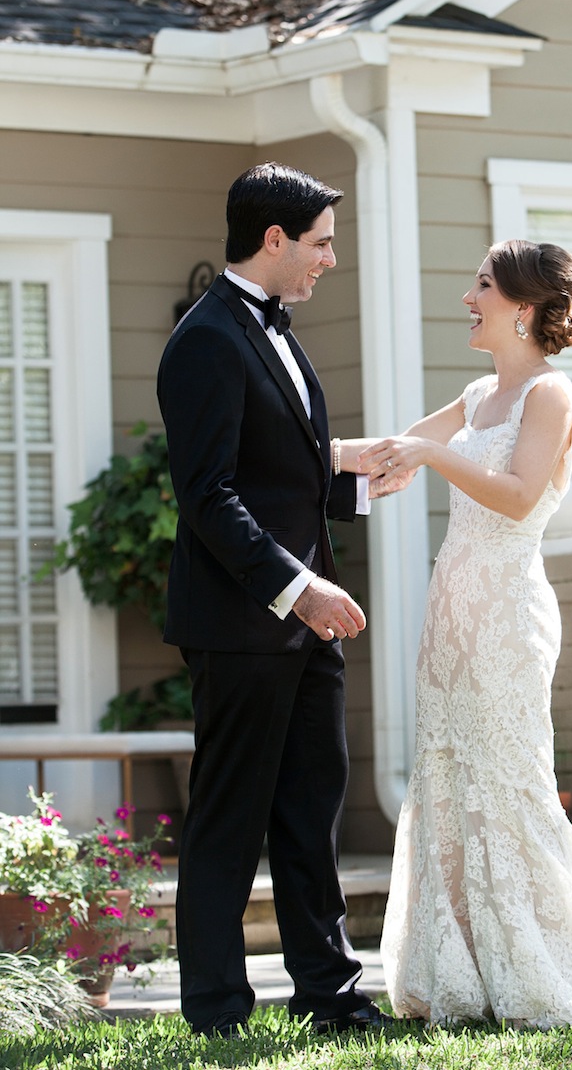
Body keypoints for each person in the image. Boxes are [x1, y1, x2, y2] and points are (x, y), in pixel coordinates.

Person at [355, 238, 572, 1026]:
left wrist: (430, 457)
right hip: (450, 607)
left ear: (521, 307)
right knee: (447, 779)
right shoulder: (480, 392)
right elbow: (387, 450)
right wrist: (295, 444)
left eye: (480, 285)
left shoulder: (552, 395)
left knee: (508, 781)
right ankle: (462, 974)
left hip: (508, 612)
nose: (467, 298)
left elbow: (517, 497)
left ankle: (545, 967)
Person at [157, 162, 396, 1038]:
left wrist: (359, 475)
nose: (331, 258)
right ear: (274, 239)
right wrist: (299, 591)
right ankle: (218, 1012)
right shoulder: (206, 339)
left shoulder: (279, 334)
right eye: (323, 243)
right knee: (229, 822)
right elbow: (209, 494)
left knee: (310, 813)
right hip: (244, 623)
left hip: (306, 626)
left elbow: (278, 466)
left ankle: (330, 999)